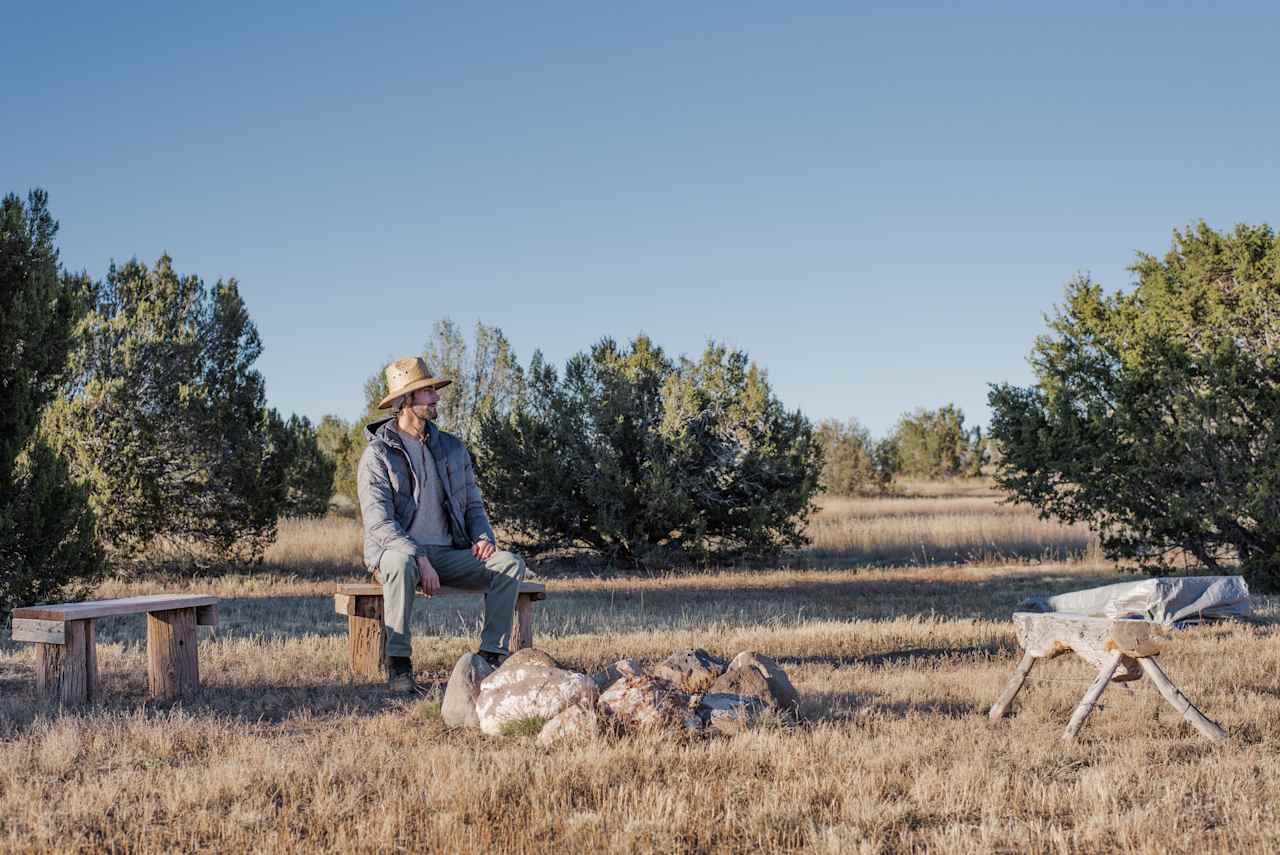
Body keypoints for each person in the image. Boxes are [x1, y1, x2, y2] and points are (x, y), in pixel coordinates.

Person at [357, 356, 527, 694]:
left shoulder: (452, 448)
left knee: (509, 564)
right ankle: (399, 665)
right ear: (404, 402)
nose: (435, 397)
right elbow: (379, 524)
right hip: (398, 553)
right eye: (426, 392)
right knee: (400, 561)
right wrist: (419, 557)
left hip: (448, 553)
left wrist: (483, 537)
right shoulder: (377, 455)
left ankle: (490, 659)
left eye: (433, 390)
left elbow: (473, 504)